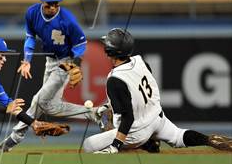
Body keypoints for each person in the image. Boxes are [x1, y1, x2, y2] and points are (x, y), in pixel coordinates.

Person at [83, 28, 232, 153]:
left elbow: (128, 118)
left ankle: (147, 143)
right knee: (178, 136)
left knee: (88, 145)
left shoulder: (114, 79)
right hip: (157, 118)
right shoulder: (140, 61)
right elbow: (137, 90)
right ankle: (208, 139)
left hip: (137, 132)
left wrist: (115, 146)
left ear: (109, 51)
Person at [0, 0, 103, 151]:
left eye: (56, 3)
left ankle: (14, 138)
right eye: (49, 4)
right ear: (42, 1)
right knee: (50, 106)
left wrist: (74, 64)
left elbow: (81, 44)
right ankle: (95, 113)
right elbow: (30, 37)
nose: (53, 7)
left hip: (64, 62)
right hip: (49, 61)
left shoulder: (67, 20)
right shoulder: (32, 13)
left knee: (38, 99)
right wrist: (27, 60)